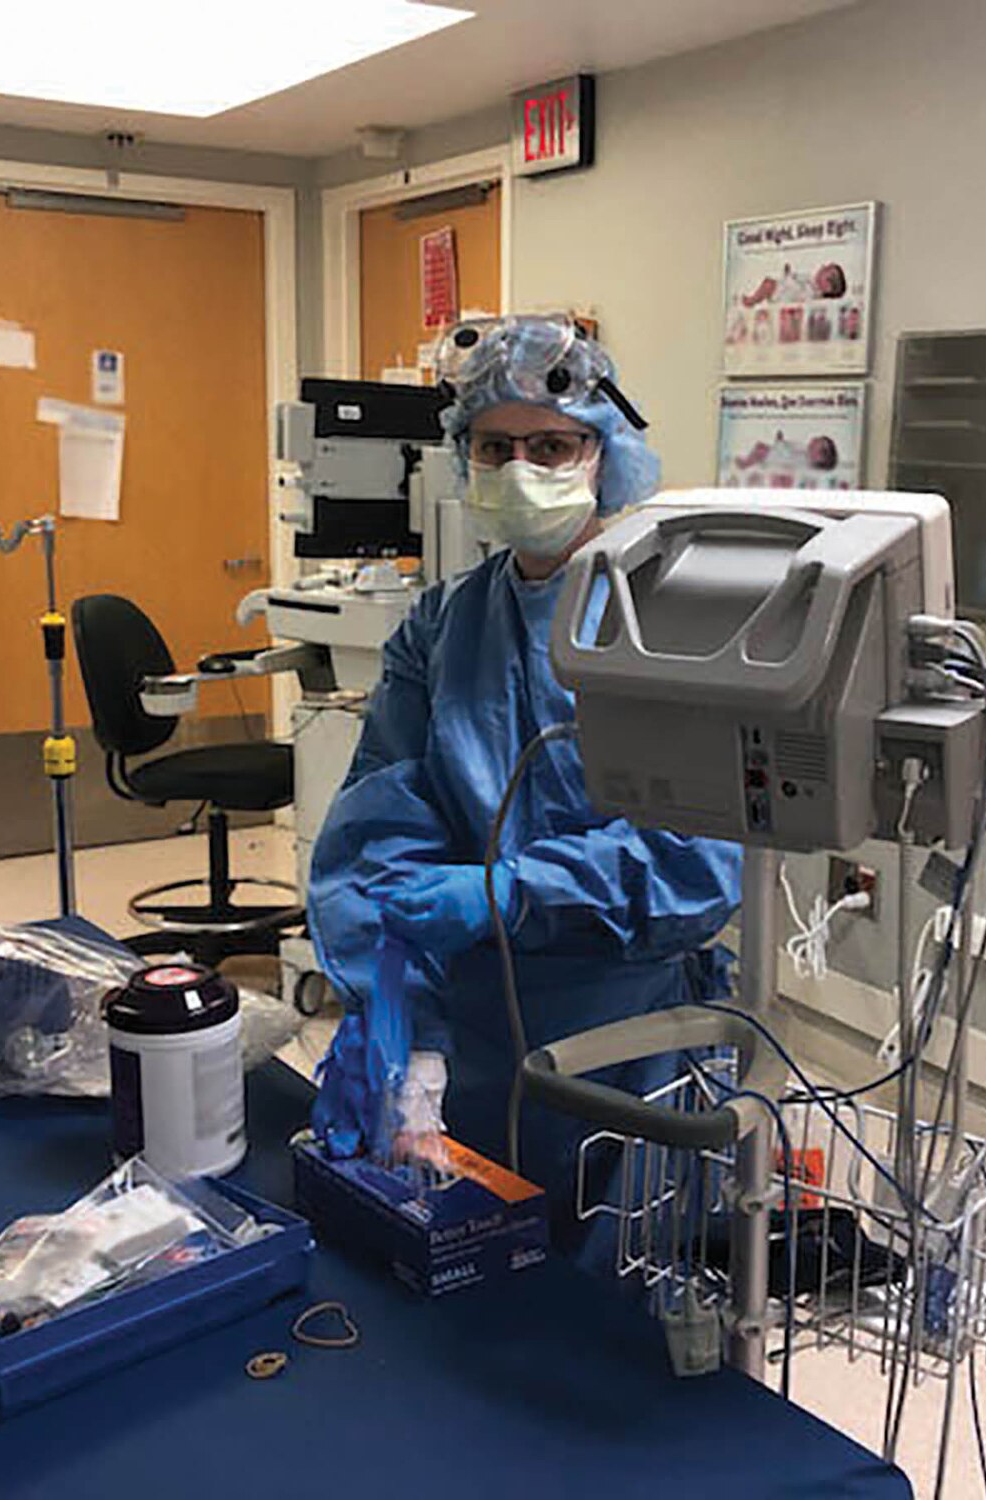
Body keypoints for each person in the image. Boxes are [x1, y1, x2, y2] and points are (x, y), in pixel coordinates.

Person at [308, 317, 742, 1259]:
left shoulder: (667, 622)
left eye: (551, 446)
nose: (520, 469)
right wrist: (407, 1035)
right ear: (463, 457)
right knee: (471, 1293)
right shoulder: (442, 627)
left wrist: (513, 891)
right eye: (495, 447)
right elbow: (382, 833)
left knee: (620, 1322)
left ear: (605, 455)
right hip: (476, 1031)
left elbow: (698, 864)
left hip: (628, 1032)